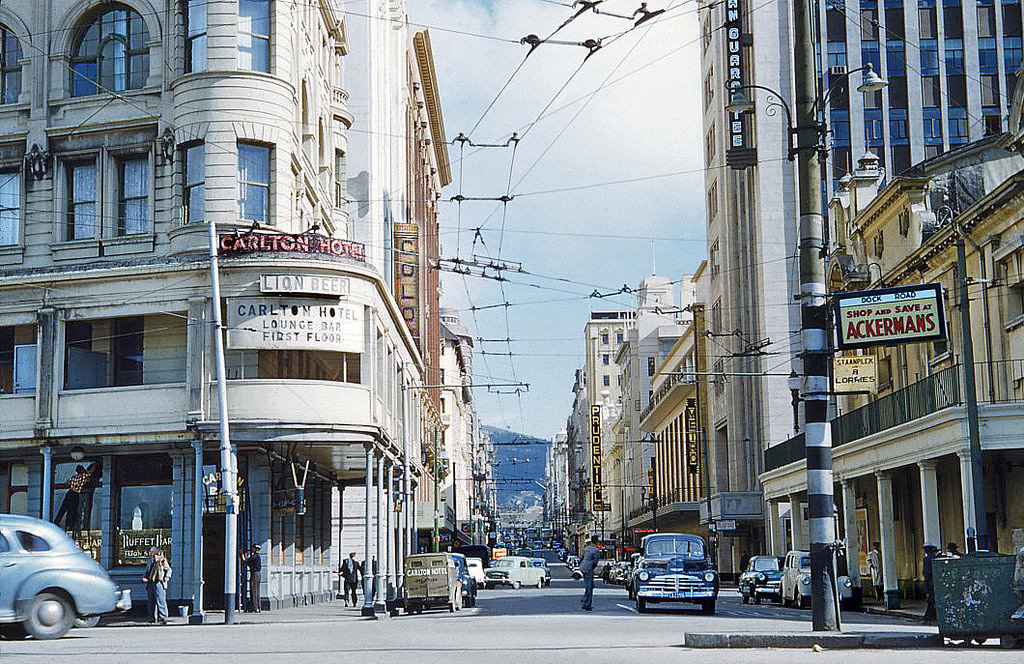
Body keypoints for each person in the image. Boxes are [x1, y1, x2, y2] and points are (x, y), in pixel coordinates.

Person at [53, 464, 97, 535]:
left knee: (63, 508)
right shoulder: (83, 476)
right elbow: (91, 471)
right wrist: (95, 464)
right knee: (72, 510)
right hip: (75, 494)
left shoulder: (73, 477)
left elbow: (67, 483)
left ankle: (57, 521)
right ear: (82, 470)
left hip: (69, 493)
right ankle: (70, 526)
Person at [142, 546, 171, 624]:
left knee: (160, 600)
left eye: (151, 551)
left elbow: (168, 569)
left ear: (155, 552)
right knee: (151, 601)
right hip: (150, 582)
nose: (150, 553)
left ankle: (163, 618)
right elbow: (147, 571)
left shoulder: (162, 560)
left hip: (159, 582)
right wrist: (144, 577)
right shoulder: (149, 561)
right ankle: (152, 618)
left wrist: (167, 577)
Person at [579, 535, 601, 611]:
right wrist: (592, 567)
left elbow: (581, 557)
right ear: (597, 541)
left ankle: (585, 601)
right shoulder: (596, 550)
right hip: (589, 569)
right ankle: (587, 604)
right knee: (589, 587)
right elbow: (595, 562)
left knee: (588, 586)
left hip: (583, 567)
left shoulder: (586, 548)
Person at [241, 545, 263, 613]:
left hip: (254, 574)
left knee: (253, 591)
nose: (252, 549)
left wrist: (242, 554)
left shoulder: (254, 557)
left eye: (253, 548)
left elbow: (245, 561)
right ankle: (258, 607)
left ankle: (254, 608)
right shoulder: (258, 556)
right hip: (258, 574)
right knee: (257, 591)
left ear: (255, 549)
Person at [922, 544, 939, 624]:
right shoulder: (936, 558)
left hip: (930, 583)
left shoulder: (926, 559)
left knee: (931, 600)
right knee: (932, 601)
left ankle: (928, 617)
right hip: (936, 582)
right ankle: (929, 617)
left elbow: (926, 572)